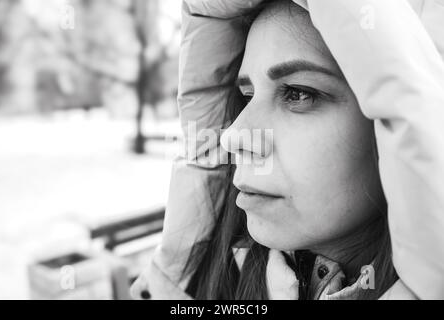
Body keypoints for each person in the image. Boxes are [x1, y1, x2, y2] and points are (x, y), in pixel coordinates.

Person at [131, 0, 444, 300]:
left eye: (298, 93)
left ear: (395, 128)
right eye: (247, 95)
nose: (233, 137)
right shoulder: (218, 283)